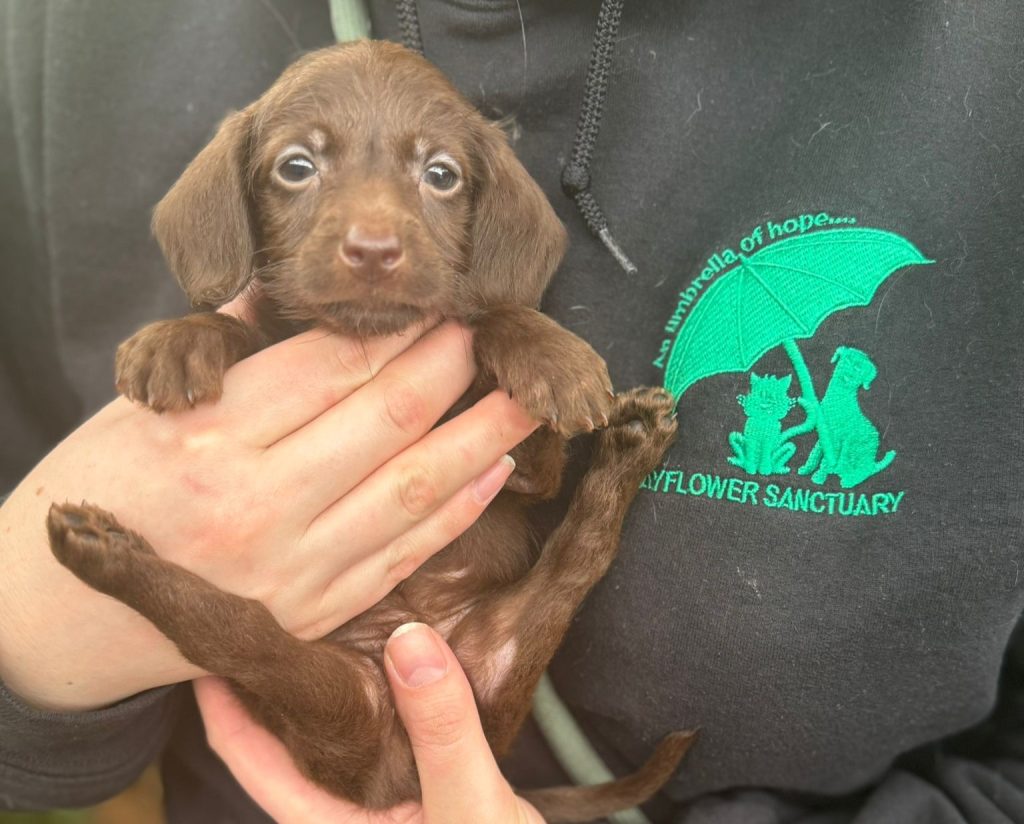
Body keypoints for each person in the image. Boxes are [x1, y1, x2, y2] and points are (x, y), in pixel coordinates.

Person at [1, 1, 1022, 822]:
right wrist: (27, 628)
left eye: (436, 177)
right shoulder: (59, 31)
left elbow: (524, 471)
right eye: (300, 169)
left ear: (489, 211)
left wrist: (512, 336)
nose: (370, 228)